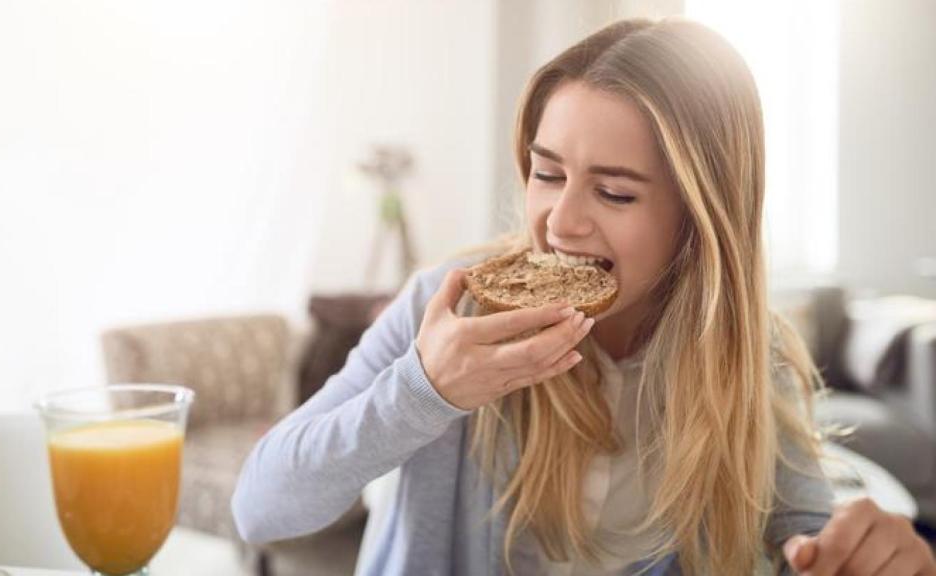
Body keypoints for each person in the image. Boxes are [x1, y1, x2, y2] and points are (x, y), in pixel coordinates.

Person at [232, 17, 936, 575]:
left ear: (699, 215)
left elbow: (803, 534)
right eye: (546, 173)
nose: (561, 222)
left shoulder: (747, 353)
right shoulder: (449, 313)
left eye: (615, 191)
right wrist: (425, 390)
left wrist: (849, 554)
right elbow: (260, 509)